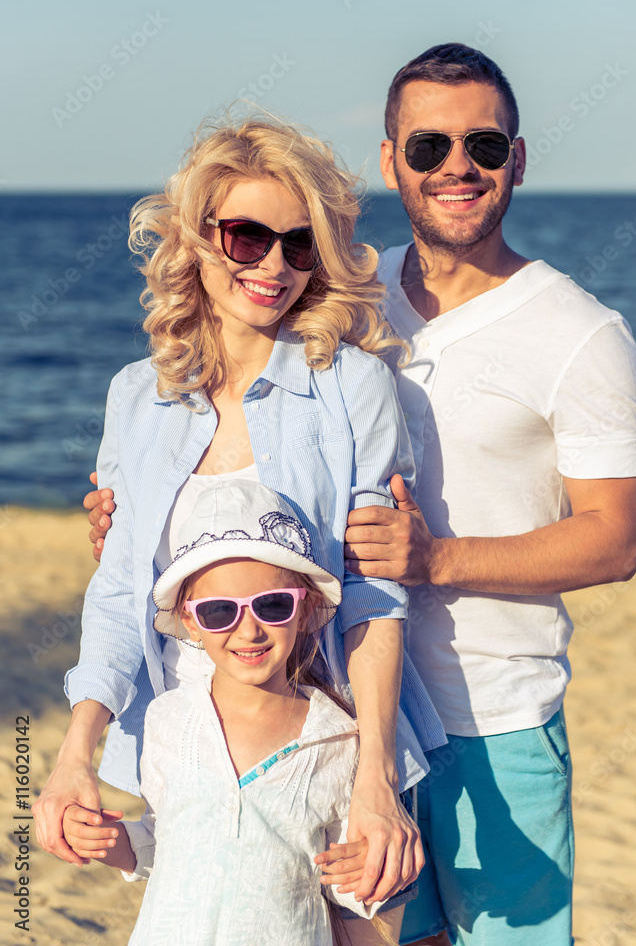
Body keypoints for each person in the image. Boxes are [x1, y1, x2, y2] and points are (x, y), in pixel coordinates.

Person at [33, 115, 448, 943]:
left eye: (300, 246)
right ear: (196, 241)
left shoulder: (355, 387)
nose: (273, 267)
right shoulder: (135, 397)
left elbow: (370, 594)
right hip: (188, 742)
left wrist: (373, 779)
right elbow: (119, 590)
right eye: (248, 236)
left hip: (323, 748)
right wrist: (77, 752)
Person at [338, 44, 636, 945]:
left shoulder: (583, 333)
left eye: (483, 143)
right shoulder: (348, 293)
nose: (457, 167)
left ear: (517, 157)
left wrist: (435, 558)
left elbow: (614, 540)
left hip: (497, 723)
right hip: (354, 713)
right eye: (429, 147)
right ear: (392, 161)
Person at [62, 480, 395, 946]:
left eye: (272, 605)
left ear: (305, 607)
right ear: (192, 620)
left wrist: (369, 872)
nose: (249, 630)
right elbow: (162, 846)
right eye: (220, 611)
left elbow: (349, 894)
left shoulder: (339, 739)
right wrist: (104, 840)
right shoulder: (167, 719)